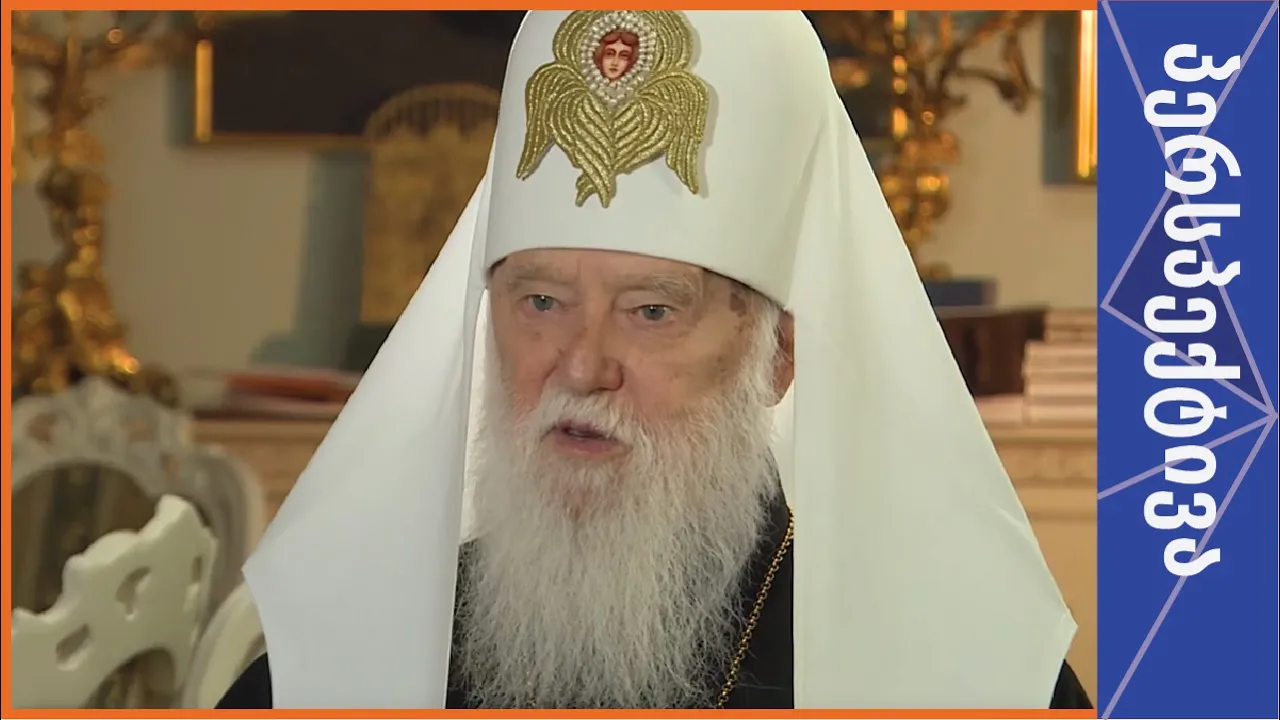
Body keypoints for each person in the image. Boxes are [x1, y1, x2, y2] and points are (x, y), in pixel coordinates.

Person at [219, 11, 1092, 710]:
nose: (582, 367)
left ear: (777, 359)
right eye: (541, 302)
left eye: (651, 311)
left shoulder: (955, 677)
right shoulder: (343, 668)